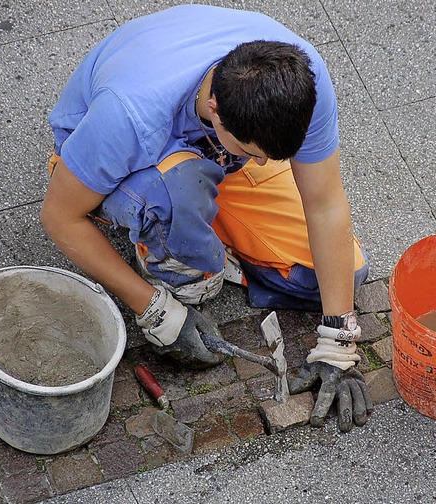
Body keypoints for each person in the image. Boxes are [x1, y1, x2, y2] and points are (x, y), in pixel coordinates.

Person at [41, 4, 373, 432]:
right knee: (177, 195)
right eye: (257, 155)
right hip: (119, 155)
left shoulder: (301, 82)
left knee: (340, 275)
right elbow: (59, 217)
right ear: (214, 108)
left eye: (274, 158)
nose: (268, 163)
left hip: (216, 151)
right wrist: (151, 306)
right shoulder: (127, 115)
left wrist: (338, 340)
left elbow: (325, 204)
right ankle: (165, 239)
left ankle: (200, 221)